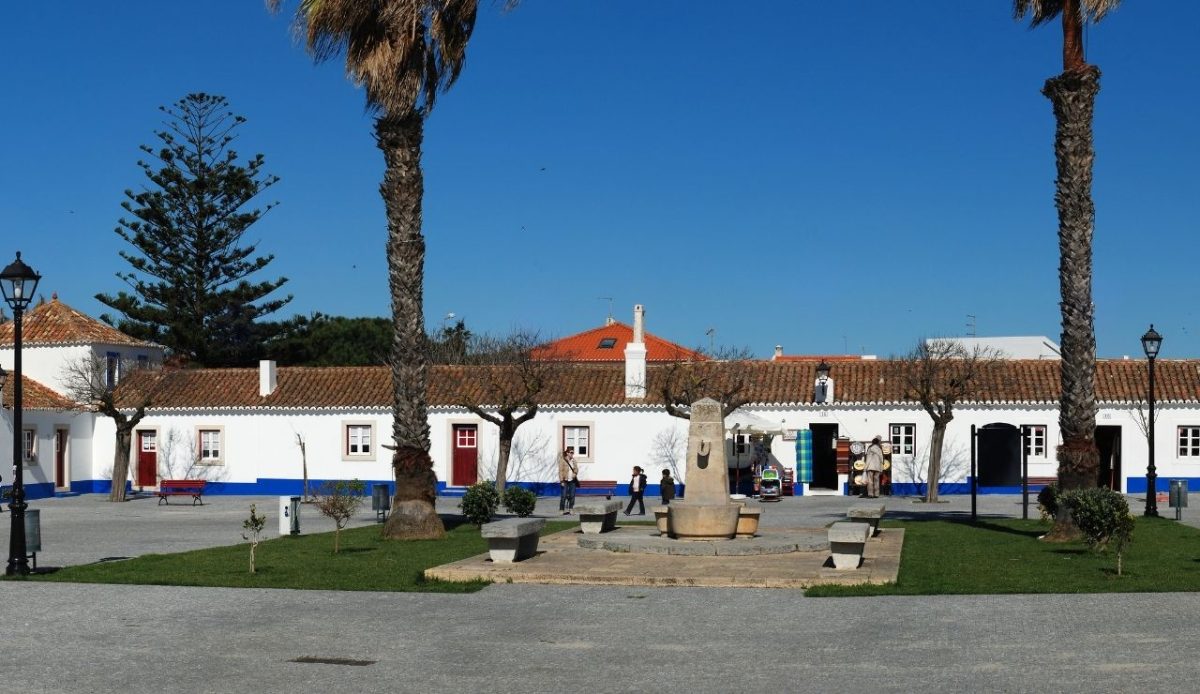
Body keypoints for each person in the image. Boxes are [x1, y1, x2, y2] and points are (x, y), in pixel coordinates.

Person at [558, 446, 578, 514]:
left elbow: (576, 469)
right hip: (565, 480)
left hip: (572, 480)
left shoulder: (574, 460)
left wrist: (575, 473)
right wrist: (561, 481)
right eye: (571, 452)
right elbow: (560, 471)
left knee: (572, 495)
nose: (572, 454)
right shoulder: (562, 460)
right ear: (567, 453)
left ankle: (571, 509)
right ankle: (561, 509)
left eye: (573, 452)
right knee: (564, 495)